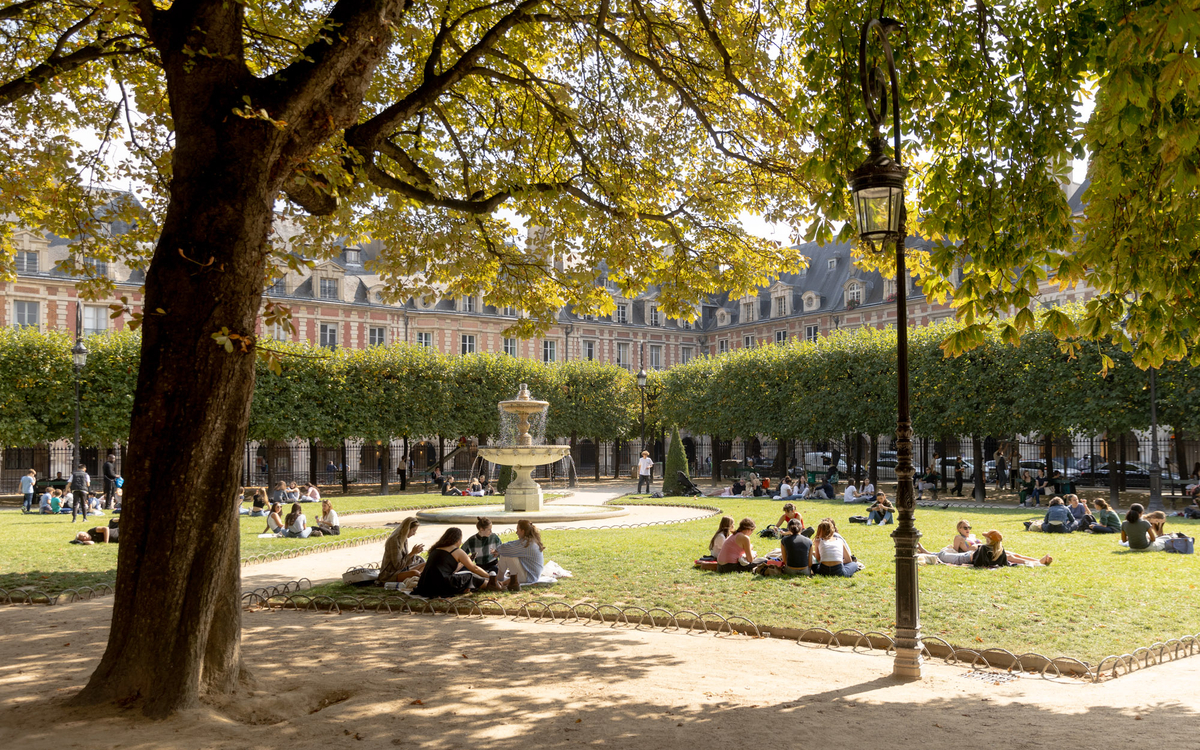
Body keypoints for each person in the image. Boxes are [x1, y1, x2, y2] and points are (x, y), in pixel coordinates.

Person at [412, 527, 497, 597]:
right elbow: (474, 568)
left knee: (464, 575)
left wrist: (463, 562)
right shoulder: (456, 550)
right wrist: (489, 576)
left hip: (426, 585)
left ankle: (493, 582)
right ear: (458, 539)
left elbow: (450, 570)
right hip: (442, 585)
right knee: (471, 576)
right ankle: (494, 584)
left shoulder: (436, 549)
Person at [497, 519, 546, 586]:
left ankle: (499, 578)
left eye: (518, 530)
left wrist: (497, 550)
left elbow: (506, 548)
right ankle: (500, 578)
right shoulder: (530, 541)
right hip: (531, 576)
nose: (516, 532)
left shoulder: (527, 544)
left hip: (529, 578)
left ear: (523, 531)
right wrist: (498, 550)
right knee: (507, 552)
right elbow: (512, 544)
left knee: (506, 554)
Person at [379, 517, 425, 584]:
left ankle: (419, 581)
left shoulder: (403, 539)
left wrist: (414, 553)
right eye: (413, 530)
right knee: (415, 573)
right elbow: (398, 565)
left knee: (426, 565)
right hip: (390, 575)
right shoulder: (394, 540)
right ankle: (420, 582)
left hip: (402, 570)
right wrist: (412, 553)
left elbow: (406, 562)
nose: (414, 533)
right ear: (407, 529)